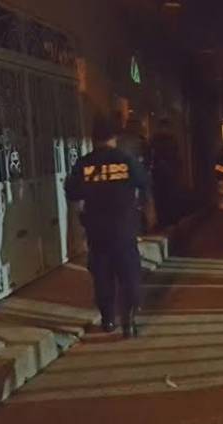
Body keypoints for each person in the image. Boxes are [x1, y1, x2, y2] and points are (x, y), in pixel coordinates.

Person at [66, 114, 152, 338]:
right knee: (129, 274)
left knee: (102, 276)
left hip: (97, 230)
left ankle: (108, 320)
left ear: (93, 138)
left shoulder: (84, 163)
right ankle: (129, 321)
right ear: (115, 136)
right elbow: (143, 182)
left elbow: (72, 192)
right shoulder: (126, 160)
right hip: (124, 228)